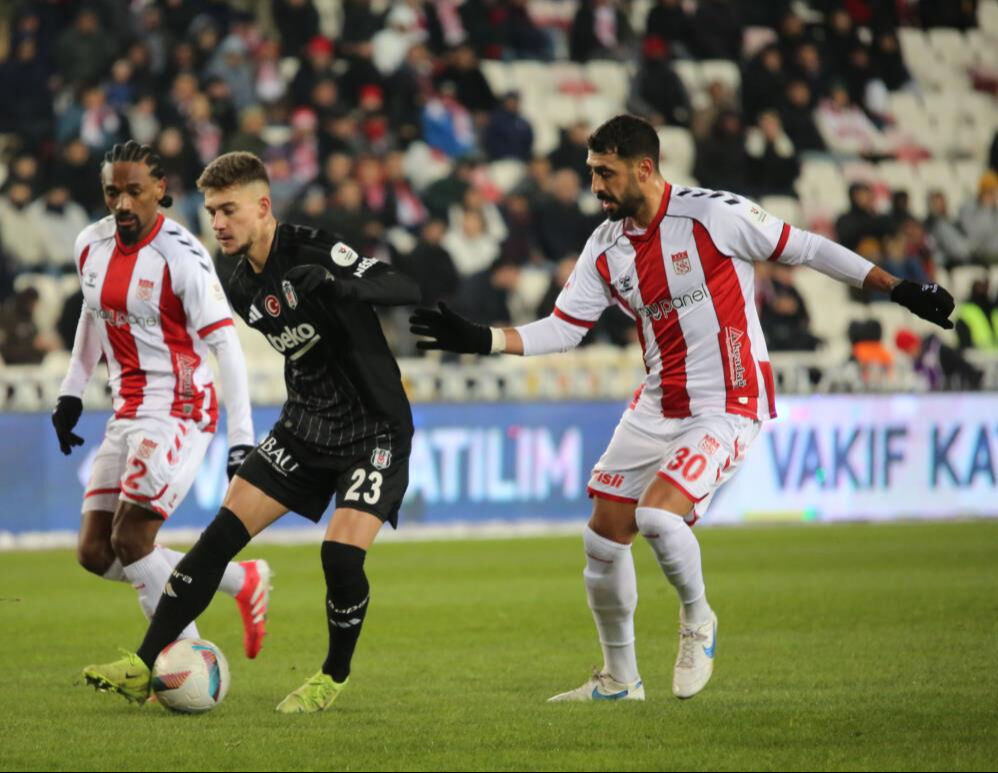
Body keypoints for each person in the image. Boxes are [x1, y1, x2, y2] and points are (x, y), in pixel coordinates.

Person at [410, 115, 954, 702]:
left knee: (659, 517)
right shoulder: (606, 247)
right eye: (591, 172)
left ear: (644, 168)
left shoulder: (713, 216)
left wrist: (897, 288)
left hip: (729, 402)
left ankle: (699, 619)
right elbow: (564, 330)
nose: (595, 186)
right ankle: (620, 681)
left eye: (605, 173)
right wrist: (483, 339)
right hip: (657, 403)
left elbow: (809, 248)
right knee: (602, 538)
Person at [81, 151, 422, 714]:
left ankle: (332, 675)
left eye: (228, 210)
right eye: (212, 211)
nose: (217, 223)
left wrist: (340, 286)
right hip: (304, 427)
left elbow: (403, 285)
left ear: (263, 207)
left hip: (374, 430)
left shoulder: (316, 249)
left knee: (340, 557)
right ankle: (143, 665)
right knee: (217, 538)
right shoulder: (239, 284)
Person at [53, 141, 270, 663]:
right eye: (112, 192)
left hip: (181, 408)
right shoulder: (91, 244)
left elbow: (227, 347)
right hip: (125, 409)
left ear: (159, 192)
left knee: (132, 539)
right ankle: (242, 579)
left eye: (133, 192)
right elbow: (92, 316)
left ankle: (186, 660)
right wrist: (70, 391)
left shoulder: (183, 256)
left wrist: (242, 442)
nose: (122, 204)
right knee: (94, 551)